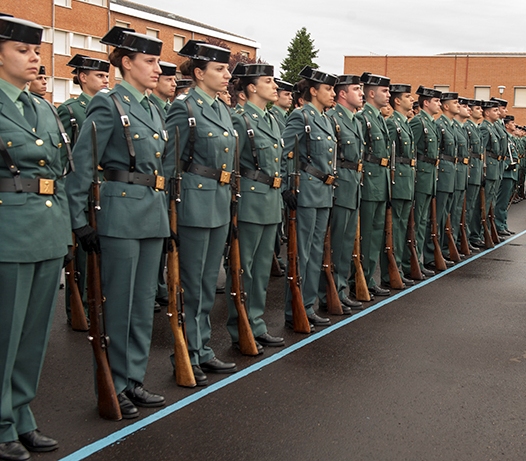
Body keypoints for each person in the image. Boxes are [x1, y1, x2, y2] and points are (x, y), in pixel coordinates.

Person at [66, 25, 169, 419]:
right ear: (126, 63)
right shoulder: (108, 104)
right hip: (121, 212)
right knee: (118, 306)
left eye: (157, 60)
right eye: (149, 61)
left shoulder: (152, 107)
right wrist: (78, 221)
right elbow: (81, 164)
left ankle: (134, 380)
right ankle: (112, 385)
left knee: (143, 306)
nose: (157, 68)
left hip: (151, 212)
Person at [0, 15, 69, 459]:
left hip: (45, 229)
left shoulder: (41, 106)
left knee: (33, 335)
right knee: (5, 334)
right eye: (23, 50)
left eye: (36, 51)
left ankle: (22, 414)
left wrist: (63, 225)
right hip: (8, 230)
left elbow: (59, 172)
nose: (34, 58)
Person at [164, 40, 237, 386]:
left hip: (218, 201)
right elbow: (170, 164)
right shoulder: (184, 108)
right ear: (198, 73)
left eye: (227, 70)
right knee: (190, 284)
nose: (227, 75)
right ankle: (186, 351)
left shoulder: (222, 109)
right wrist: (170, 213)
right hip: (192, 203)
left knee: (208, 283)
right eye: (219, 69)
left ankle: (203, 347)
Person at [225, 63, 285, 350]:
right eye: (268, 81)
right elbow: (233, 164)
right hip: (250, 198)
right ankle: (240, 327)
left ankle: (256, 323)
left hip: (271, 198)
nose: (275, 86)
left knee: (261, 269)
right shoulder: (239, 119)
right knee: (243, 268)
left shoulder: (272, 119)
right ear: (251, 87)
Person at [281, 65, 337, 329]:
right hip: (305, 189)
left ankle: (308, 305)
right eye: (327, 89)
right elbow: (286, 153)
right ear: (313, 91)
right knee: (301, 253)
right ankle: (295, 308)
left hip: (323, 192)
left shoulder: (325, 119)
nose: (332, 93)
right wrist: (287, 187)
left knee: (316, 252)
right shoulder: (300, 117)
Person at [58, 53, 110, 327]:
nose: (105, 80)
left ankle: (98, 302)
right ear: (82, 77)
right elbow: (67, 158)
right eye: (100, 75)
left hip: (104, 190)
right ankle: (78, 310)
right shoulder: (69, 110)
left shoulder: (112, 107)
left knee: (100, 256)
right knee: (80, 259)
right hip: (84, 188)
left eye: (106, 75)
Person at [318, 74, 364, 313]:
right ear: (343, 94)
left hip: (353, 184)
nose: (362, 94)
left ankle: (341, 289)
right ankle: (328, 292)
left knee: (346, 243)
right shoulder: (332, 119)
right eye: (356, 89)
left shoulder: (355, 121)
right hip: (340, 185)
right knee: (334, 243)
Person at [354, 72, 391, 297]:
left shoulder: (377, 118)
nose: (388, 95)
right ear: (371, 93)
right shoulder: (363, 118)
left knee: (376, 233)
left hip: (381, 181)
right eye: (384, 91)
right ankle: (359, 279)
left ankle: (367, 277)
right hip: (369, 182)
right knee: (366, 234)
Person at [402, 86, 441, 279]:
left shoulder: (430, 123)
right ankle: (411, 262)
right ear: (426, 102)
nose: (439, 104)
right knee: (415, 222)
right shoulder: (418, 122)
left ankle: (418, 260)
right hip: (421, 175)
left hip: (429, 175)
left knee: (424, 221)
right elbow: (412, 153)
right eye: (436, 101)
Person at [382, 83, 415, 288]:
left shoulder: (405, 123)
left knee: (403, 227)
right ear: (397, 101)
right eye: (408, 97)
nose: (412, 100)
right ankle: (389, 274)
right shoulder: (393, 123)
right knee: (393, 228)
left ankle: (399, 269)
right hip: (397, 179)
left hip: (407, 180)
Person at [423, 91, 458, 268]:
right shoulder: (439, 124)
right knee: (434, 218)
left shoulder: (450, 125)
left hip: (450, 173)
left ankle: (441, 250)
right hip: (441, 172)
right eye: (456, 102)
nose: (459, 106)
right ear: (446, 106)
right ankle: (430, 254)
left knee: (445, 215)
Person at [464, 99, 484, 250]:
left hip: (476, 169)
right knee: (467, 207)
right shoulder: (468, 128)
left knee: (472, 207)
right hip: (470, 170)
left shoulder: (475, 128)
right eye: (478, 108)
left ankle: (469, 237)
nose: (481, 111)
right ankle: (464, 238)